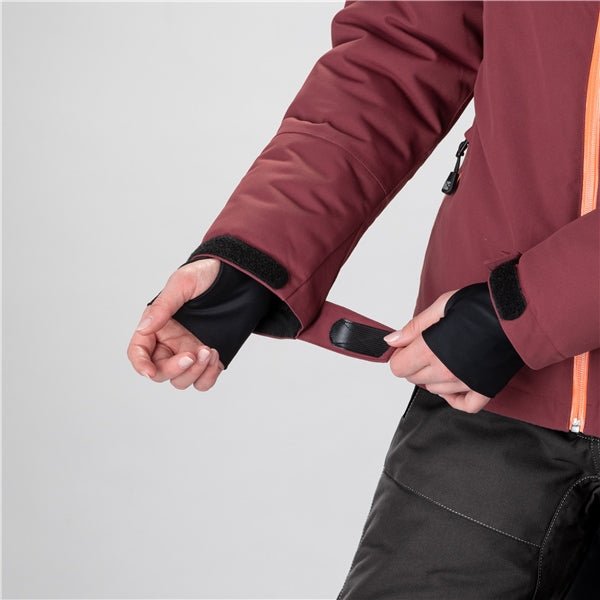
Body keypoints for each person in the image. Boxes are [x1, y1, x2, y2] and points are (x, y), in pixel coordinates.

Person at [127, 1, 600, 597]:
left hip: (492, 340)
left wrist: (532, 308)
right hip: (489, 395)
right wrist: (257, 254)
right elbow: (400, 49)